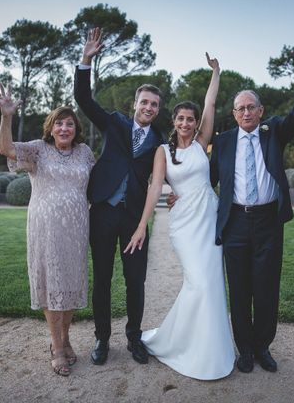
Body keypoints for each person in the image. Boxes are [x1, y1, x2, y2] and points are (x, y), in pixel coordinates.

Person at [209, 40, 294, 374]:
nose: (245, 113)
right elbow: (209, 178)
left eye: (251, 107)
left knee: (267, 287)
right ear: (234, 114)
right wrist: (179, 194)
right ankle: (244, 350)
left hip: (269, 221)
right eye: (240, 108)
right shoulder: (224, 141)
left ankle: (262, 347)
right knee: (240, 290)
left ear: (260, 110)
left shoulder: (274, 132)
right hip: (235, 224)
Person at [126, 53, 235, 380]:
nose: (187, 123)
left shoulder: (203, 142)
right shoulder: (162, 152)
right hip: (185, 226)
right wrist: (142, 225)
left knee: (212, 284)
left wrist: (216, 73)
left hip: (210, 218)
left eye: (191, 118)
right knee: (198, 283)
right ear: (173, 122)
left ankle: (210, 349)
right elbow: (154, 187)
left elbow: (211, 105)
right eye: (181, 119)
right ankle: (176, 343)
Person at [74, 28, 164, 366]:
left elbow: (166, 175)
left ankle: (134, 339)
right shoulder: (114, 123)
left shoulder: (159, 141)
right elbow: (84, 99)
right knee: (102, 280)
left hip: (134, 219)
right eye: (144, 102)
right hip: (103, 213)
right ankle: (101, 339)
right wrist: (86, 61)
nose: (149, 107)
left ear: (157, 109)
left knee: (135, 282)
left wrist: (180, 196)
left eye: (154, 104)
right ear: (135, 104)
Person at [0, 87, 95, 377]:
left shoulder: (85, 153)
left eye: (70, 123)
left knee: (70, 282)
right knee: (52, 283)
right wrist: (6, 117)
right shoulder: (39, 149)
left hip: (76, 229)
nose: (64, 127)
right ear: (51, 127)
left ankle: (66, 338)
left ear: (76, 129)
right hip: (45, 228)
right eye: (59, 123)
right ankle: (57, 347)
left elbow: (98, 183)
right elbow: (6, 149)